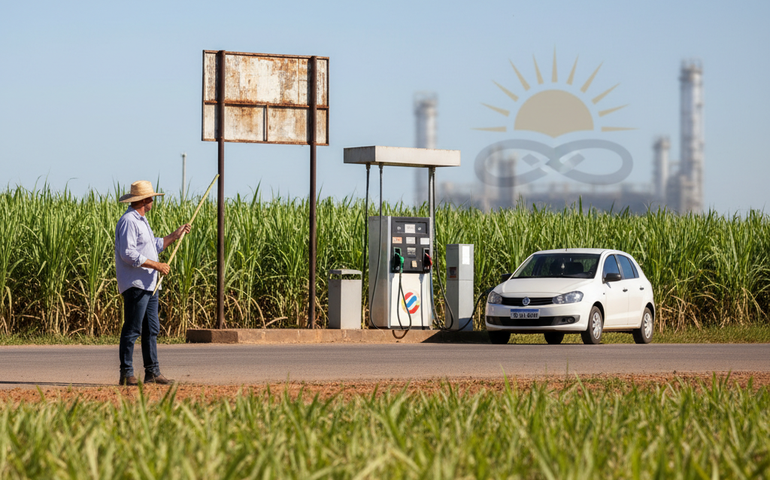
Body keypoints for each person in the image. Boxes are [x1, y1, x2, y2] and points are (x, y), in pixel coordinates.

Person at [115, 180, 190, 386]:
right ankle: (127, 372)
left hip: (150, 285)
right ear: (145, 200)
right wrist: (157, 266)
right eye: (151, 199)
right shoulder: (129, 221)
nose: (152, 202)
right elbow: (128, 253)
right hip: (136, 284)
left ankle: (152, 372)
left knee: (151, 328)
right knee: (133, 328)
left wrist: (175, 235)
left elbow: (154, 246)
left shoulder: (142, 220)